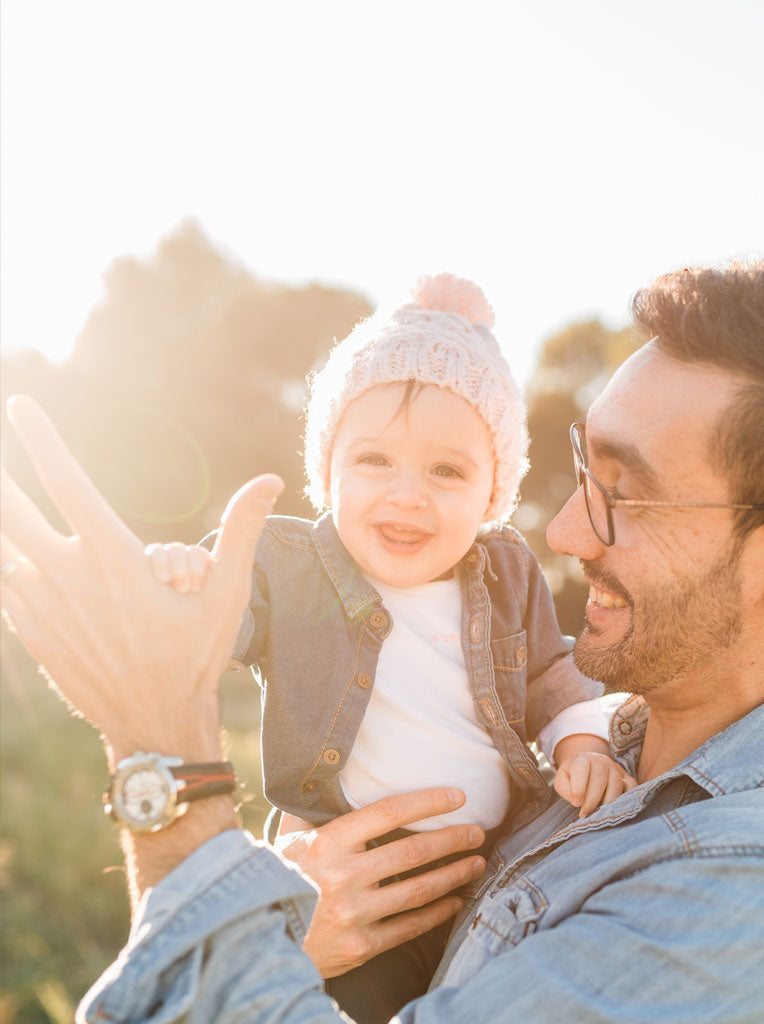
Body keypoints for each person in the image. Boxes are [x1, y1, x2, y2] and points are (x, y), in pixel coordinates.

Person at [0, 259, 764, 1023]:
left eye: (627, 491)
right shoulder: (616, 739)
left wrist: (164, 755)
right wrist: (289, 929)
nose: (566, 532)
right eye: (582, 468)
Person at [141, 273, 629, 1020]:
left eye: (446, 471)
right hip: (356, 879)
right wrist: (184, 582)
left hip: (491, 870)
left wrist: (581, 747)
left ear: (492, 491)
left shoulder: (505, 572)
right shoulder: (290, 565)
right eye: (374, 461)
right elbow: (214, 623)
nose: (407, 495)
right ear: (327, 469)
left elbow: (550, 674)